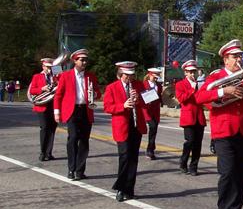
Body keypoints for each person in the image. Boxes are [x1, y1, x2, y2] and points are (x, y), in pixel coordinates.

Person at [197, 39, 243, 209]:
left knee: (242, 176)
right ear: (225, 59)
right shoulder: (217, 76)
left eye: (240, 56)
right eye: (235, 57)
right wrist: (224, 90)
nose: (239, 59)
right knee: (228, 174)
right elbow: (200, 97)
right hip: (224, 131)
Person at [53, 49, 101, 181]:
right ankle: (71, 168)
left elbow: (98, 93)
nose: (84, 62)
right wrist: (57, 112)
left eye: (86, 60)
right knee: (73, 138)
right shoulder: (66, 76)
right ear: (75, 60)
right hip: (72, 110)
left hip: (86, 109)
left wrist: (93, 94)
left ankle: (80, 170)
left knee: (84, 141)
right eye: (82, 59)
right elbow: (58, 95)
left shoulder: (91, 76)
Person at [103, 61, 147, 201]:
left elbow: (151, 100)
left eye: (132, 75)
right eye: (127, 75)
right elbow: (107, 107)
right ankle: (121, 188)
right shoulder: (112, 88)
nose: (130, 78)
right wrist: (123, 105)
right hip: (122, 126)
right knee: (124, 157)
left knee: (133, 158)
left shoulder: (139, 85)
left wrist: (139, 99)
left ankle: (130, 189)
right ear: (120, 74)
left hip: (136, 125)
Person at [175, 60, 207, 176]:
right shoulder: (180, 84)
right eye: (190, 72)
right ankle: (183, 162)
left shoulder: (199, 84)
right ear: (185, 73)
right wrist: (192, 89)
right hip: (188, 117)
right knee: (190, 142)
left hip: (199, 116)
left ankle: (194, 167)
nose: (192, 74)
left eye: (194, 71)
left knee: (198, 143)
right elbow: (181, 98)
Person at [29, 58, 58, 161]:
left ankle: (49, 153)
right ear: (43, 66)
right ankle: (42, 152)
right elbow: (32, 90)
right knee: (45, 127)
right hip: (42, 106)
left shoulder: (55, 76)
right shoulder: (37, 76)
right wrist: (42, 89)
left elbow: (62, 85)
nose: (49, 69)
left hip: (53, 105)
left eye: (51, 67)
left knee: (52, 128)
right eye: (47, 67)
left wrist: (57, 72)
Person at [142, 68, 163, 160]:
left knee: (154, 130)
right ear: (150, 75)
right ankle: (150, 149)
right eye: (154, 77)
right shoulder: (143, 84)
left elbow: (160, 97)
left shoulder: (159, 85)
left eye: (157, 77)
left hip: (155, 110)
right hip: (146, 110)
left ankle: (150, 149)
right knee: (152, 127)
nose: (156, 79)